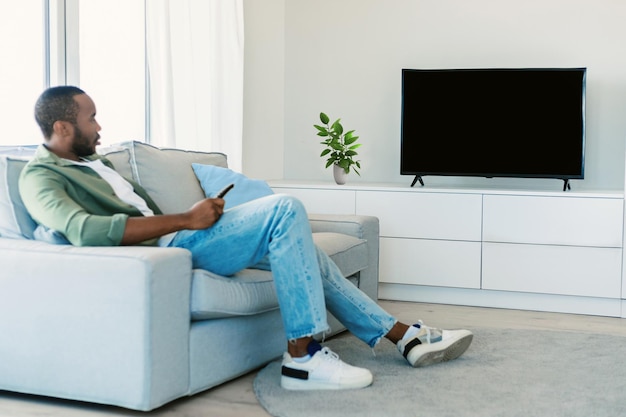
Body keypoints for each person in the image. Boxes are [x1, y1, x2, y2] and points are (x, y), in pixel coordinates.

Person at [19, 86, 473, 391]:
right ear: (63, 127)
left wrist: (204, 217)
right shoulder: (40, 176)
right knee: (285, 207)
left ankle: (404, 336)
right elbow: (82, 230)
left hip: (186, 236)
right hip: (169, 249)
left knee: (302, 246)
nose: (100, 127)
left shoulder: (96, 164)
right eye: (91, 118)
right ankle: (303, 353)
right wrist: (189, 219)